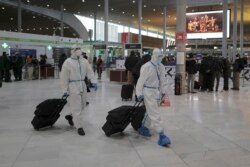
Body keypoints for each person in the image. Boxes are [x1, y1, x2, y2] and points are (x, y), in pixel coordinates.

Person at [136, 48, 171, 147]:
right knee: (155, 112)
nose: (160, 58)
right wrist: (139, 93)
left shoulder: (161, 66)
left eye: (161, 56)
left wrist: (163, 92)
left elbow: (162, 80)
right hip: (148, 91)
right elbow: (140, 81)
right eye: (159, 56)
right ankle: (161, 134)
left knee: (150, 111)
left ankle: (144, 127)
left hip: (157, 92)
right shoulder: (146, 67)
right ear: (154, 56)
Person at [60, 46, 97, 136]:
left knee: (83, 105)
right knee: (76, 107)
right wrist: (64, 89)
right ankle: (79, 127)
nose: (79, 51)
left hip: (82, 85)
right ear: (72, 51)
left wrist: (94, 81)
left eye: (79, 49)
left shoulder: (84, 61)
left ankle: (70, 115)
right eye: (76, 49)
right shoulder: (68, 62)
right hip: (72, 85)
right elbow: (63, 77)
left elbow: (89, 71)